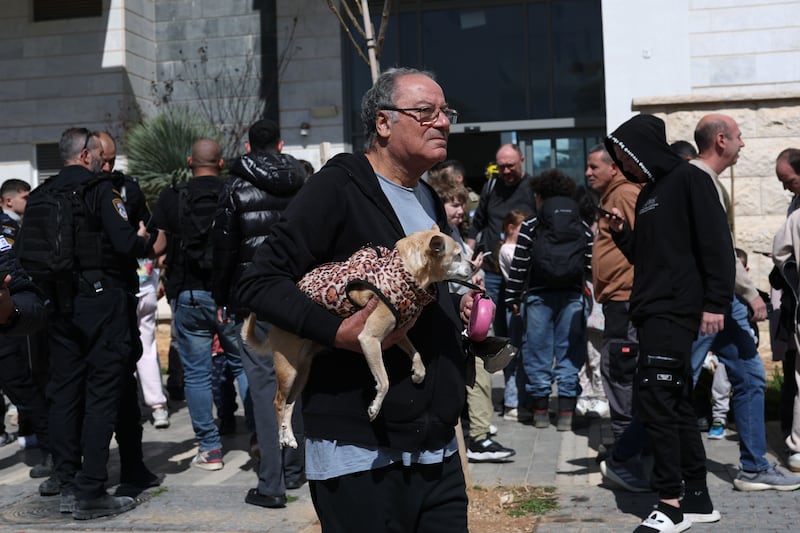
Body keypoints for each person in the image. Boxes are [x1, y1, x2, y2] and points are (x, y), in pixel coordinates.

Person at [237, 67, 472, 533]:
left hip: (436, 450)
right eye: (426, 112)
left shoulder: (428, 198)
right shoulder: (338, 187)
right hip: (360, 456)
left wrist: (456, 307)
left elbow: (415, 293)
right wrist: (335, 332)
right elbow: (259, 283)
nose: (443, 122)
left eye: (446, 112)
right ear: (383, 123)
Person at [604, 114, 734, 531]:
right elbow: (650, 255)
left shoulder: (690, 178)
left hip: (676, 310)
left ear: (642, 147)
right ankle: (696, 499)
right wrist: (623, 235)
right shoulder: (649, 193)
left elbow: (717, 243)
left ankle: (669, 504)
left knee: (657, 401)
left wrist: (716, 302)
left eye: (625, 155)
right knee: (674, 403)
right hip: (651, 310)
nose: (622, 164)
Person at [21, 128, 151, 519]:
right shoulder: (100, 191)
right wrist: (144, 238)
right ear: (85, 155)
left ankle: (66, 482)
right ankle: (92, 491)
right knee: (102, 394)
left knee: (64, 393)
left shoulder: (41, 194)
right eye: (97, 154)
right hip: (102, 303)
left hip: (58, 305)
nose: (101, 161)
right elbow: (126, 244)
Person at [686, 114, 800, 494]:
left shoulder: (711, 182)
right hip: (706, 305)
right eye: (739, 136)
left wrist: (742, 294)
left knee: (750, 377)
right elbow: (716, 251)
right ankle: (630, 457)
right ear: (721, 140)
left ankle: (753, 467)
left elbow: (722, 248)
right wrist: (750, 293)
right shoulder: (698, 181)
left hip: (724, 301)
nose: (744, 143)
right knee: (676, 381)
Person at [212, 118, 307, 508]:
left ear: (248, 147)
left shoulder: (236, 187)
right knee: (295, 382)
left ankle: (271, 484)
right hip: (297, 296)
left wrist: (223, 297)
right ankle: (296, 468)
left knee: (266, 388)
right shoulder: (303, 183)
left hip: (254, 301)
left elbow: (224, 249)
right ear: (281, 145)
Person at [151, 138, 248, 471]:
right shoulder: (235, 191)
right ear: (221, 163)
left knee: (196, 375)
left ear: (189, 162)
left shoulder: (171, 196)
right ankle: (259, 440)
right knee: (244, 366)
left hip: (188, 294)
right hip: (230, 297)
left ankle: (210, 449)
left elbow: (158, 246)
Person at [430, 180, 514, 463]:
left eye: (462, 206)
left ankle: (475, 431)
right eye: (454, 204)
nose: (460, 211)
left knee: (476, 375)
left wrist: (473, 274)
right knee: (478, 377)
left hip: (467, 315)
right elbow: (441, 278)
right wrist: (469, 274)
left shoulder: (454, 231)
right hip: (455, 318)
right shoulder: (438, 236)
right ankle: (478, 438)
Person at [504, 169, 593, 431]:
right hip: (573, 295)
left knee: (537, 352)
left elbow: (520, 265)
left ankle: (541, 412)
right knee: (569, 353)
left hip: (538, 296)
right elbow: (590, 263)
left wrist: (513, 296)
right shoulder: (581, 225)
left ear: (540, 196)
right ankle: (566, 414)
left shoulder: (532, 225)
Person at [96, 131, 170, 430]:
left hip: (133, 279)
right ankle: (154, 404)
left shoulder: (120, 188)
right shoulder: (124, 187)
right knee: (143, 343)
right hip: (129, 279)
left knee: (136, 343)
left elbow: (152, 233)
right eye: (105, 160)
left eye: (112, 160)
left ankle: (150, 405)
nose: (108, 166)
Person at [466, 144, 536, 352]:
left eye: (510, 166)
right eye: (501, 166)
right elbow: (478, 223)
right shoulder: (491, 186)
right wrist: (469, 255)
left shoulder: (532, 188)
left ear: (521, 160)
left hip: (522, 272)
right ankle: (507, 364)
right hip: (493, 270)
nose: (506, 171)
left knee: (520, 322)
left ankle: (521, 365)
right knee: (498, 325)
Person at [772, 147, 800, 474]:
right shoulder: (795, 207)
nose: (784, 187)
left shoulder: (796, 215)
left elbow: (780, 252)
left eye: (788, 180)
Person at [497, 209, 531, 422]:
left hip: (520, 305)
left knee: (524, 353)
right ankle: (512, 402)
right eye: (522, 228)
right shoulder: (507, 250)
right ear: (511, 228)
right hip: (516, 306)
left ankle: (522, 399)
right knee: (515, 354)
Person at [1, 179, 30, 247]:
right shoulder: (6, 224)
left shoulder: (18, 222)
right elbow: (7, 252)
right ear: (9, 201)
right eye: (25, 198)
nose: (29, 201)